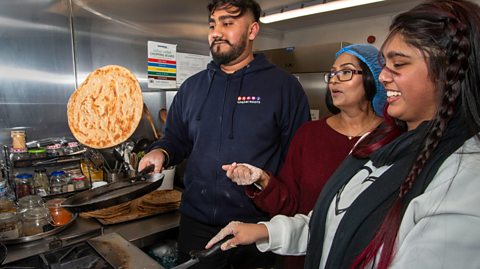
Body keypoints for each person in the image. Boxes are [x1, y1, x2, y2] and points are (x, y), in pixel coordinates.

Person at [206, 0, 480, 268]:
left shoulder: (463, 178)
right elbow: (331, 223)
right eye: (385, 64)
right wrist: (265, 229)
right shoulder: (377, 145)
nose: (386, 76)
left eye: (399, 64)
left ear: (450, 73)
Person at [138, 0, 310, 268]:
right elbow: (176, 138)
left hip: (259, 227)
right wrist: (160, 152)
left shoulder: (284, 88)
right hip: (197, 225)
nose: (216, 32)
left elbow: (297, 163)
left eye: (228, 23)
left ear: (252, 31)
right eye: (212, 24)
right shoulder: (192, 88)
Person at [221, 44, 386, 268]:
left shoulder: (392, 139)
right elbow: (290, 204)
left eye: (345, 72)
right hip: (301, 258)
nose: (334, 80)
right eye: (332, 73)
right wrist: (260, 178)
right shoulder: (309, 134)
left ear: (372, 78)